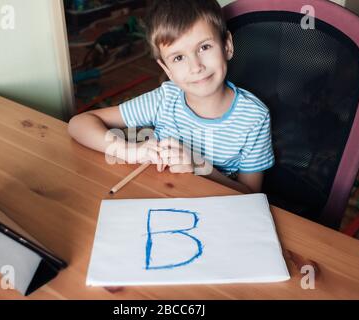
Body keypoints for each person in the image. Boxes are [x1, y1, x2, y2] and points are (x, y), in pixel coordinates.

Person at [68, 0, 274, 194]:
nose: (196, 67)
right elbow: (79, 123)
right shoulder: (164, 100)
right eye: (178, 57)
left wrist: (199, 166)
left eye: (204, 47)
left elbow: (251, 196)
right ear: (166, 68)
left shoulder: (254, 118)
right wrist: (129, 151)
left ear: (227, 46)